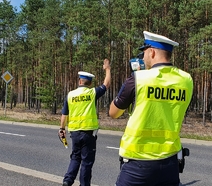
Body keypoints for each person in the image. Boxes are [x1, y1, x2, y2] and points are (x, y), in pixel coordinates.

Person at [109, 31, 193, 186]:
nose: (142, 57)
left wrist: (131, 80)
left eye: (144, 53)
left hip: (138, 164)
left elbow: (113, 112)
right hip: (170, 162)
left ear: (152, 52)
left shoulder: (139, 78)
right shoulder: (186, 80)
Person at [59, 59, 111, 186]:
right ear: (90, 83)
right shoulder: (92, 93)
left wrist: (61, 129)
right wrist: (108, 69)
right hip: (89, 133)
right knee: (86, 162)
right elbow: (106, 84)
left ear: (80, 81)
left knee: (75, 157)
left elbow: (64, 114)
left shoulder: (70, 95)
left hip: (75, 133)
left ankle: (68, 180)